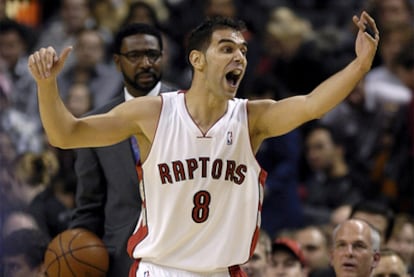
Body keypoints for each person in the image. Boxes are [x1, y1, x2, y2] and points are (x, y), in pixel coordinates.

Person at [28, 11, 379, 277]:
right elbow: (65, 135)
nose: (239, 57)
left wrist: (361, 65)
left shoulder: (252, 119)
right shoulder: (153, 112)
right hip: (159, 267)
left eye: (242, 50)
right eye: (226, 48)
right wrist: (47, 86)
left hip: (220, 270)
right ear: (197, 60)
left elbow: (313, 104)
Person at [68, 22, 176, 277]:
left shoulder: (190, 111)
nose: (146, 63)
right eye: (134, 56)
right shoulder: (95, 122)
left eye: (152, 54)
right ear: (117, 61)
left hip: (180, 255)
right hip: (121, 260)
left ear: (163, 57)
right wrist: (76, 257)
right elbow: (89, 205)